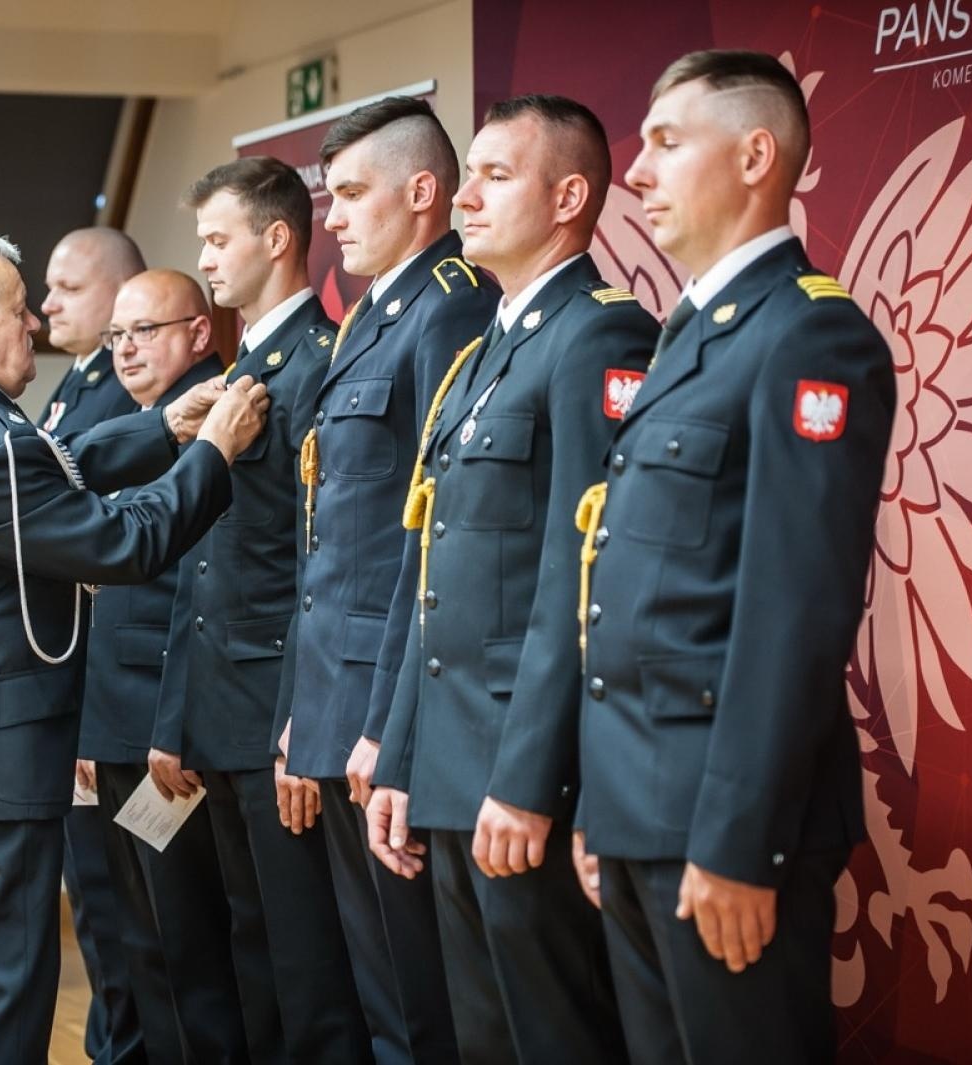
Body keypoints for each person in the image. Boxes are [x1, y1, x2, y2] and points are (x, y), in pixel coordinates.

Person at [0, 231, 268, 1063]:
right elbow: (126, 542)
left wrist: (161, 431)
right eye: (15, 309)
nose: (34, 320)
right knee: (1, 994)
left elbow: (49, 467)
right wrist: (214, 450)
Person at [578, 51, 896, 1063]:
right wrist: (600, 809)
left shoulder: (809, 338)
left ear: (756, 155)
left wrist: (734, 839)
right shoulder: (687, 336)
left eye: (666, 143)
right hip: (637, 808)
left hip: (718, 825)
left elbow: (793, 611)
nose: (636, 172)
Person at [369, 95, 655, 1064]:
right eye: (469, 171)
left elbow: (580, 577)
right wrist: (401, 756)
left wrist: (528, 779)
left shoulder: (597, 338)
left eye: (496, 175)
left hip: (522, 771)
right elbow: (434, 579)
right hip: (450, 764)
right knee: (483, 1036)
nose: (466, 194)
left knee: (552, 1035)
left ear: (568, 195)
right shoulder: (485, 347)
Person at [276, 97, 497, 1064]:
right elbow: (330, 539)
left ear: (422, 192)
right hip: (337, 693)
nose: (333, 216)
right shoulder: (373, 312)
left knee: (414, 1005)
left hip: (388, 706)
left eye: (353, 193)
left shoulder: (450, 306)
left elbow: (433, 543)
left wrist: (387, 729)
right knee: (366, 990)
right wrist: (302, 705)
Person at [146, 155, 372, 1064]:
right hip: (221, 708)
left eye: (217, 238)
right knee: (252, 951)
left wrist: (298, 721)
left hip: (276, 706)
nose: (204, 257)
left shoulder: (315, 365)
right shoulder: (241, 370)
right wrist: (176, 716)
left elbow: (320, 561)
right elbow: (200, 569)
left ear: (278, 239)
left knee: (306, 965)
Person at [77, 268, 236, 1065]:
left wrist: (172, 725)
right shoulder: (138, 421)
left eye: (146, 330)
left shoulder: (217, 420)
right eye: (116, 335)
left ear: (199, 334)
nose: (127, 349)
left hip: (163, 732)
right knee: (137, 940)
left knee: (184, 947)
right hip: (115, 721)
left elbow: (198, 599)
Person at [37, 225, 152, 1065]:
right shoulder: (75, 387)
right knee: (100, 908)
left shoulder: (125, 398)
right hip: (79, 700)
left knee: (126, 908)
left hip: (117, 700)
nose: (46, 305)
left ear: (121, 298)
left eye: (66, 289)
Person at [37, 227, 141, 433]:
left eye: (71, 288)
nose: (47, 306)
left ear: (125, 292)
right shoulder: (84, 366)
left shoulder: (135, 379)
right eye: (51, 289)